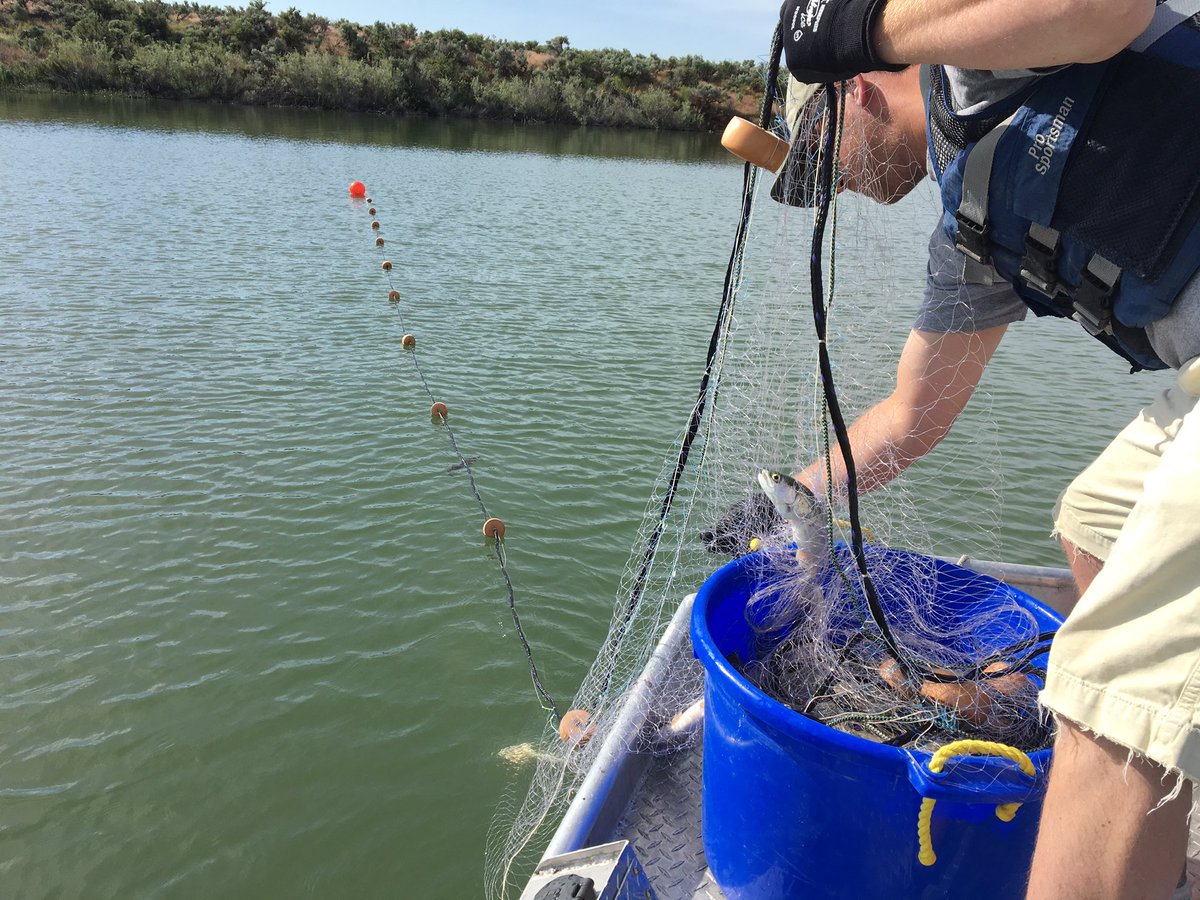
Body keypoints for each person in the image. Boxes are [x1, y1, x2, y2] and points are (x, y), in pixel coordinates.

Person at [764, 1, 1200, 897]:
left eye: (823, 156)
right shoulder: (968, 233)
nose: (835, 185)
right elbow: (910, 415)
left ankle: (1131, 778)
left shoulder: (982, 62)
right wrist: (783, 502)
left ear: (857, 92)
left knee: (1102, 691)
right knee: (1094, 522)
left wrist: (866, 22)